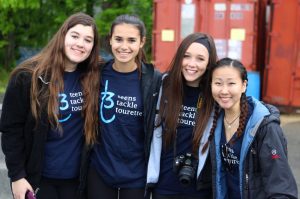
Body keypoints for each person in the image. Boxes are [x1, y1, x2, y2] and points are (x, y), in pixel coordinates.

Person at [0, 12, 100, 199]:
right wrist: (17, 177)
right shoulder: (27, 76)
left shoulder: (94, 78)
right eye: (75, 36)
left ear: (93, 47)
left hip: (77, 183)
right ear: (62, 36)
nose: (80, 44)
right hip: (38, 181)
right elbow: (11, 130)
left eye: (88, 40)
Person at [87, 14, 162, 199]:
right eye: (118, 39)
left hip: (136, 176)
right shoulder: (96, 73)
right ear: (110, 40)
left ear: (142, 42)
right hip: (100, 173)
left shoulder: (153, 80)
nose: (124, 46)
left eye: (131, 40)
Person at [208, 57, 298, 198]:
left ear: (244, 85)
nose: (224, 90)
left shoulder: (264, 126)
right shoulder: (213, 121)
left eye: (231, 83)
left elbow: (281, 186)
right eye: (218, 83)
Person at [146, 32, 218, 199]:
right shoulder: (163, 86)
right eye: (187, 56)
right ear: (179, 58)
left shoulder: (215, 96)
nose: (192, 64)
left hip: (200, 189)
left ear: (209, 64)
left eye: (200, 59)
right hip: (163, 185)